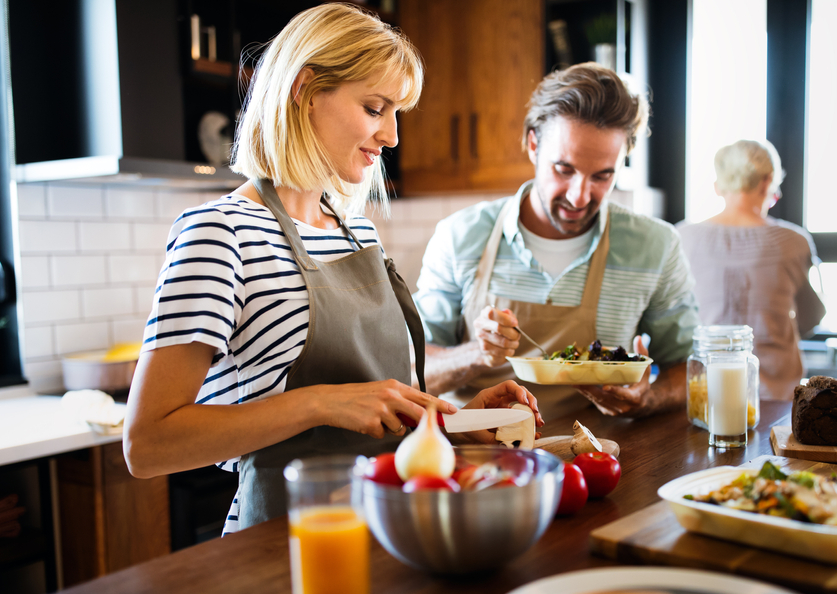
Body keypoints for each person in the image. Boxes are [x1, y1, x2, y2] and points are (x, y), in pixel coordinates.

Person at [122, 4, 542, 535]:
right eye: (374, 108)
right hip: (286, 542)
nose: (390, 135)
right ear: (305, 90)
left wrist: (453, 425)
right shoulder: (219, 231)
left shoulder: (355, 231)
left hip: (392, 527)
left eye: (396, 113)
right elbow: (147, 444)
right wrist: (318, 403)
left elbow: (372, 411)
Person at [413, 63, 701, 420]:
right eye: (564, 170)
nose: (580, 197)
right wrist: (477, 353)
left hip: (596, 460)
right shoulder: (460, 236)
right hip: (478, 457)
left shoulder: (655, 247)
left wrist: (647, 398)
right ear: (534, 144)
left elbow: (692, 369)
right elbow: (413, 371)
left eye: (602, 176)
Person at [676, 139, 826, 400]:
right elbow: (811, 317)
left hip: (705, 394)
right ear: (767, 182)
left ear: (718, 186)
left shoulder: (681, 237)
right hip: (775, 397)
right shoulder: (794, 241)